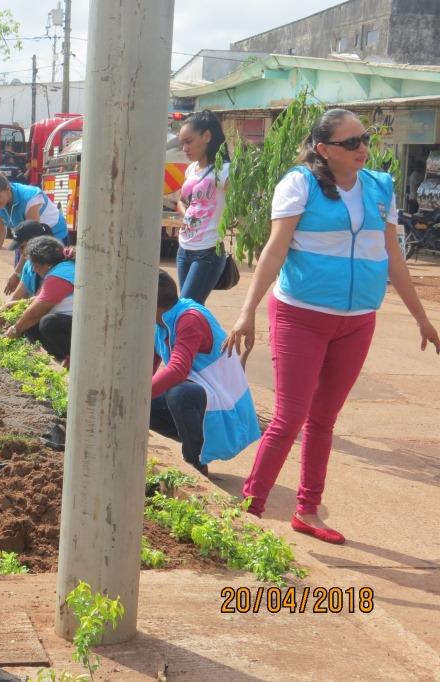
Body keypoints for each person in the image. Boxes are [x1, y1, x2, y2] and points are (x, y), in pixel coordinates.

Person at [224, 108, 440, 543]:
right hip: (299, 316)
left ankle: (307, 511)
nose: (363, 148)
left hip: (357, 322)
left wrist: (423, 318)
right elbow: (274, 251)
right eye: (351, 143)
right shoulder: (299, 184)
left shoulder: (379, 188)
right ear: (324, 150)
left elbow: (394, 259)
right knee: (290, 417)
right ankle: (251, 508)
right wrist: (247, 310)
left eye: (365, 139)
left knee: (324, 420)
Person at [152, 270, 260, 476]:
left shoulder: (188, 319)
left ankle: (195, 463)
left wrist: (138, 396)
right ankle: (193, 441)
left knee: (178, 393)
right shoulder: (162, 321)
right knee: (143, 401)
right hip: (207, 400)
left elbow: (178, 369)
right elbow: (147, 368)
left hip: (227, 413)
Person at [0, 172, 69, 295]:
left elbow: (33, 241)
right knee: (25, 277)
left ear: (7, 190)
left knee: (45, 279)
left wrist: (17, 273)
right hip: (27, 238)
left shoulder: (29, 198)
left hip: (53, 236)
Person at [176, 110, 230, 304]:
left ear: (207, 136)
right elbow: (182, 200)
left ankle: (214, 335)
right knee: (190, 311)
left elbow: (244, 201)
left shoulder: (224, 170)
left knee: (185, 308)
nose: (184, 148)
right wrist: (187, 216)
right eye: (182, 143)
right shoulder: (192, 169)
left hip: (208, 250)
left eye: (188, 142)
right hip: (184, 248)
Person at [2, 236, 74, 362]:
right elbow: (37, 301)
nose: (34, 269)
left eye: (36, 265)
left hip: (84, 324)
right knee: (30, 325)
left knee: (48, 323)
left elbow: (35, 312)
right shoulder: (60, 268)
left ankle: (74, 359)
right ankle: (64, 358)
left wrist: (15, 330)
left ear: (47, 264)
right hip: (72, 319)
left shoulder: (59, 275)